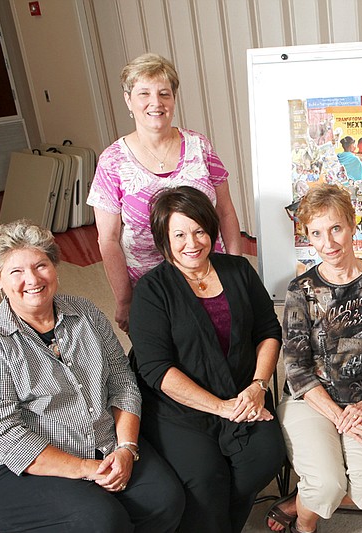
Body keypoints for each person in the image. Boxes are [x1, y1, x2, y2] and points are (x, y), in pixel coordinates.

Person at [0, 220, 184, 533]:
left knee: (165, 500)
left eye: (41, 265)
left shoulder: (86, 313)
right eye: (16, 272)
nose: (32, 279)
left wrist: (126, 448)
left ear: (55, 266)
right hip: (12, 466)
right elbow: (4, 435)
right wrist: (87, 469)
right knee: (100, 521)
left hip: (100, 442)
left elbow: (123, 383)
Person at [129, 186, 286, 533]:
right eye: (179, 234)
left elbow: (268, 331)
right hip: (179, 408)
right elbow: (156, 369)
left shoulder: (239, 270)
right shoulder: (151, 291)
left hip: (245, 392)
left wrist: (258, 386)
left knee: (264, 458)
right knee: (204, 477)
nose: (192, 242)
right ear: (164, 239)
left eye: (199, 230)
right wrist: (221, 407)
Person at [267, 184, 362, 533]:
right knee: (326, 484)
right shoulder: (300, 291)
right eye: (316, 233)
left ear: (352, 225)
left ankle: (299, 500)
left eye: (335, 228)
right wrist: (337, 415)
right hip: (311, 402)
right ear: (307, 237)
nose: (328, 242)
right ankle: (306, 524)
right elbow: (297, 368)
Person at [87, 52, 242, 333]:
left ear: (173, 99)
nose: (155, 103)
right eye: (144, 93)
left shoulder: (199, 146)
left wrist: (236, 270)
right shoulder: (112, 162)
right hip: (150, 287)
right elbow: (107, 239)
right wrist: (124, 300)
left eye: (164, 93)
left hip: (209, 274)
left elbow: (225, 210)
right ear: (128, 100)